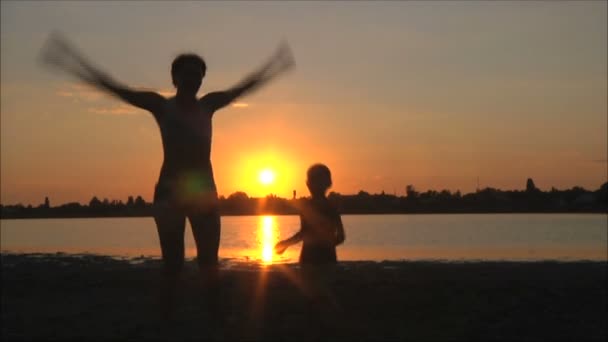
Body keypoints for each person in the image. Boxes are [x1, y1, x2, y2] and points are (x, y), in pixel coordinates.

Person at [40, 32, 295, 320]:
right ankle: (167, 316)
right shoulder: (161, 106)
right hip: (169, 192)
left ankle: (213, 313)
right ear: (175, 78)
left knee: (208, 260)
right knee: (172, 263)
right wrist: (77, 67)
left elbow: (242, 89)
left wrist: (272, 68)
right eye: (187, 75)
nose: (193, 80)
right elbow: (117, 90)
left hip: (203, 191)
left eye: (198, 76)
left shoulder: (208, 105)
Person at [274, 163, 345, 336]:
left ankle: (329, 324)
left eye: (314, 181)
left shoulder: (310, 206)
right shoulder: (331, 206)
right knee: (318, 293)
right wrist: (329, 244)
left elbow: (304, 233)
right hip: (323, 258)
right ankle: (326, 325)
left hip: (313, 258)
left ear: (308, 184)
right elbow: (341, 236)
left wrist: (285, 244)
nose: (313, 185)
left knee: (316, 294)